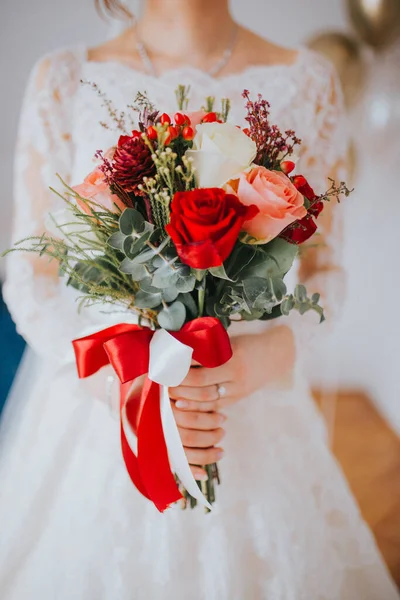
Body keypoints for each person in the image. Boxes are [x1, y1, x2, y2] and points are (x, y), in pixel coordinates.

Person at [1, 0, 398, 598]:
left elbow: (325, 268)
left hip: (246, 397)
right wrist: (127, 386)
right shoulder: (61, 78)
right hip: (106, 401)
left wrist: (268, 356)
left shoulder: (307, 79)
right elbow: (29, 272)